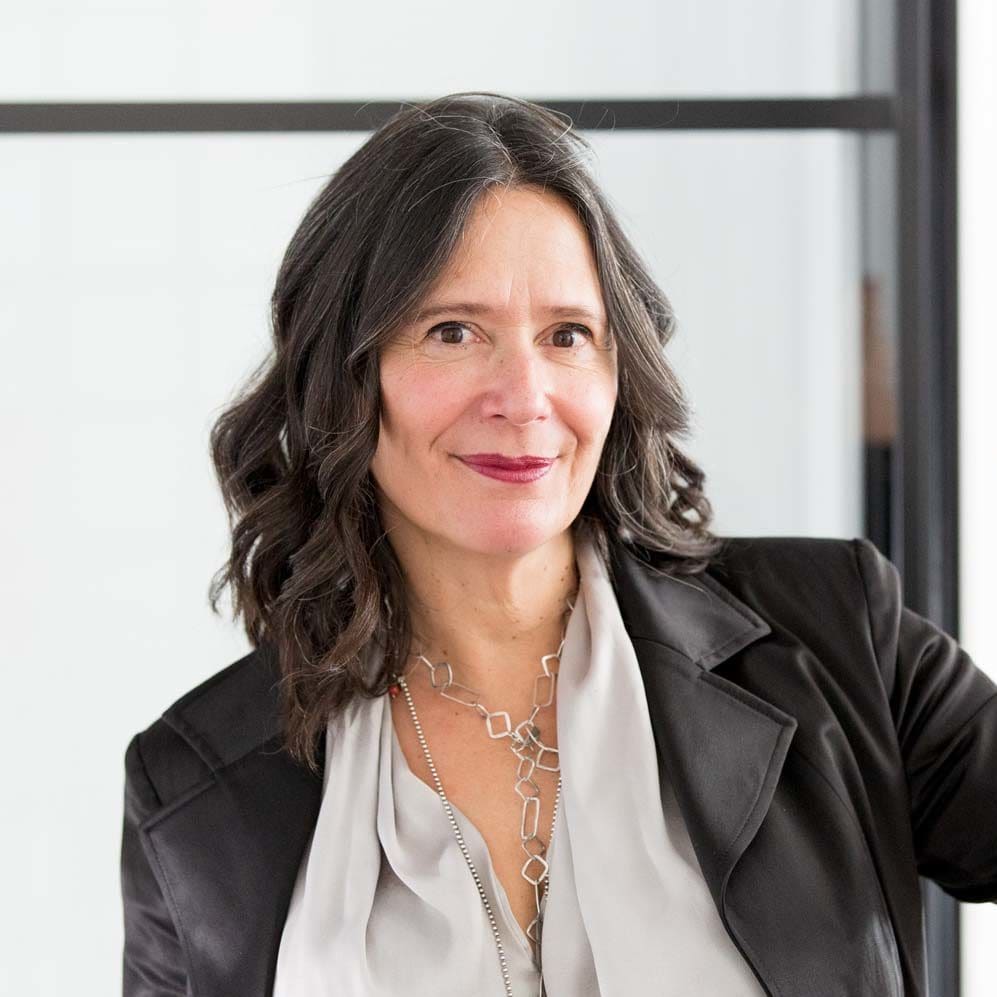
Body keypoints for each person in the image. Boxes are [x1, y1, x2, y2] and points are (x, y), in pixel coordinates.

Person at [119, 92, 997, 997]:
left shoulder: (837, 635)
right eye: (452, 331)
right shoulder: (190, 787)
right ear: (341, 375)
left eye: (567, 335)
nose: (523, 396)